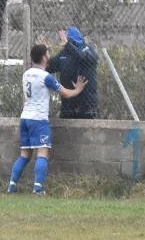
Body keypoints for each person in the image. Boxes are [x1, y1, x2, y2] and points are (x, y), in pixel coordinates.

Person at [7, 43, 86, 195]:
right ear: (43, 57)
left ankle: (12, 185)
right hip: (38, 120)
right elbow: (64, 93)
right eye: (48, 53)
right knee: (42, 154)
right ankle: (38, 188)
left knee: (24, 155)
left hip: (25, 118)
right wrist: (78, 89)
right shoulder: (46, 77)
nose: (50, 55)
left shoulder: (26, 74)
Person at [46, 26, 99, 119]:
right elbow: (49, 67)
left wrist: (68, 45)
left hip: (86, 105)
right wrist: (45, 52)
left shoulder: (88, 49)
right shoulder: (64, 54)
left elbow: (83, 58)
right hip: (68, 105)